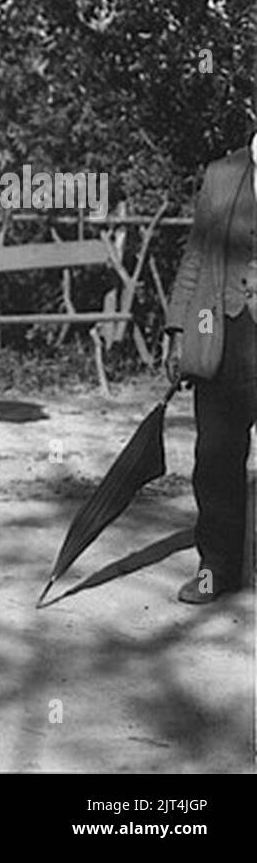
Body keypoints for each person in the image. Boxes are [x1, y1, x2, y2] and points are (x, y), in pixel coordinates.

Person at [165, 131, 257, 603]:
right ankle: (216, 570)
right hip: (224, 332)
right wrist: (178, 327)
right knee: (216, 458)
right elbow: (197, 254)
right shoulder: (222, 174)